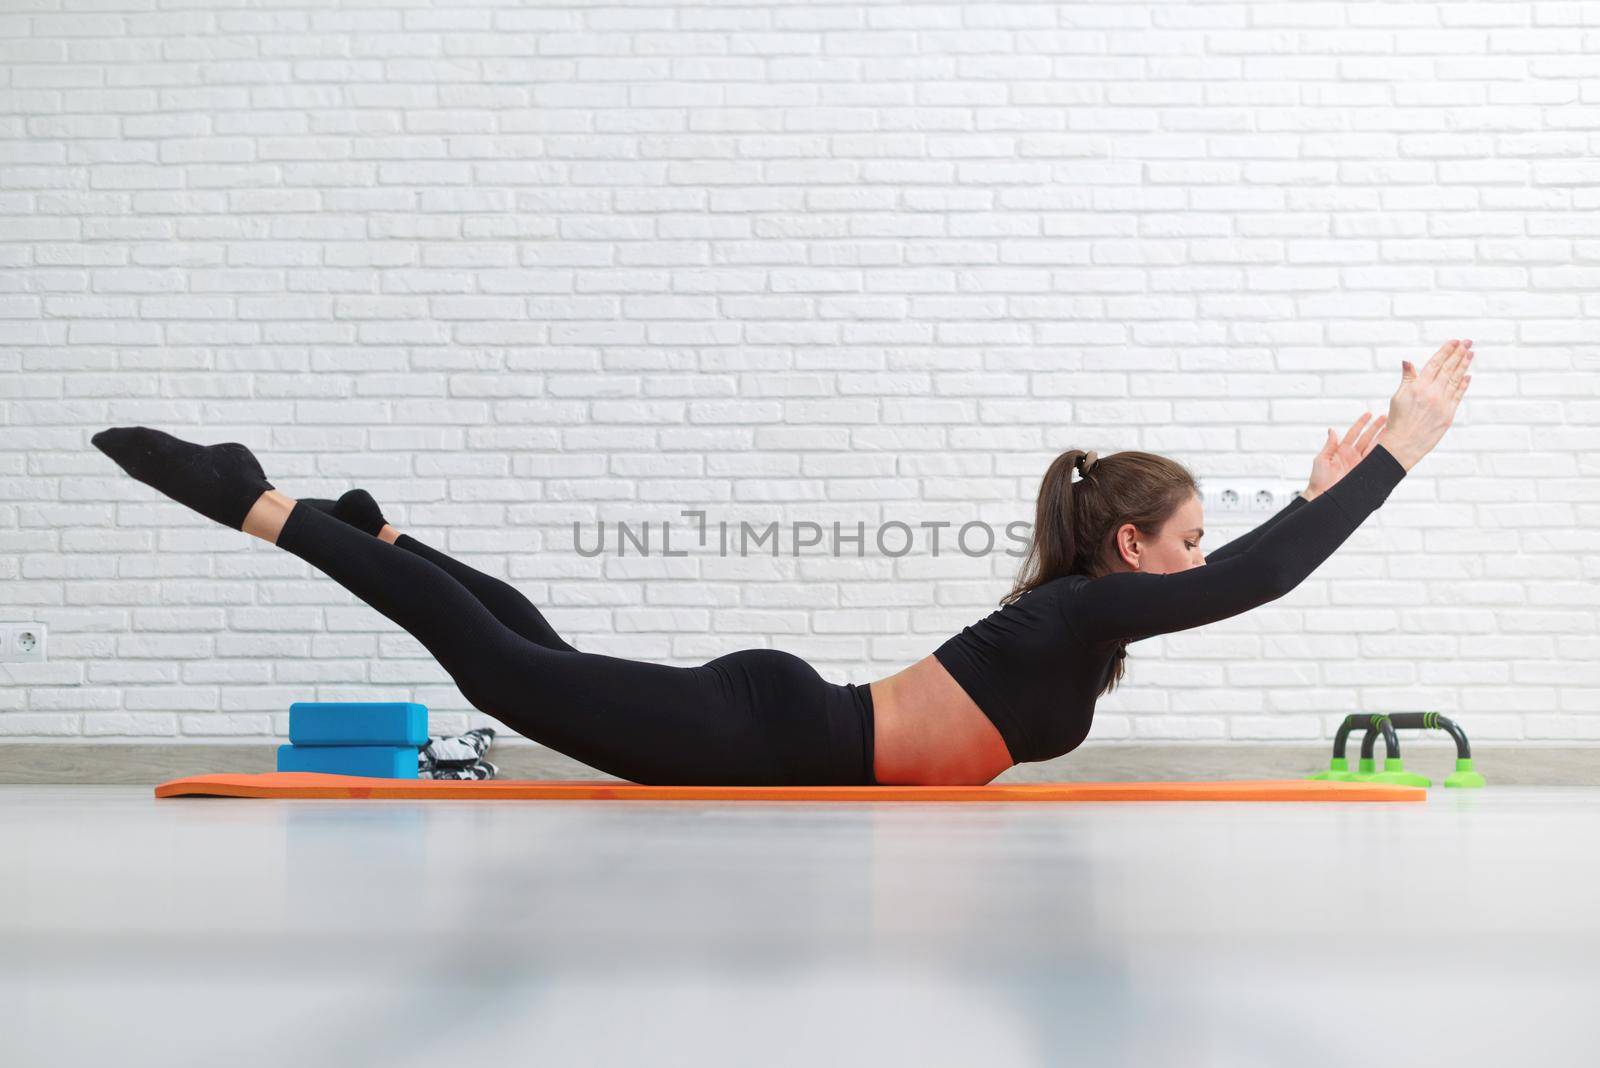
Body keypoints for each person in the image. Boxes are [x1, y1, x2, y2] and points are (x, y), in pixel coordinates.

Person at [91, 339, 1474, 787]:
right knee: (510, 671)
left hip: (783, 716)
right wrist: (1403, 451)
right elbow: (1269, 580)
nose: (1204, 562)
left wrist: (1317, 493)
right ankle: (259, 505)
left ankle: (377, 526)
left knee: (545, 662)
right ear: (1128, 547)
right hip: (770, 729)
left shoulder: (1089, 616)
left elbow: (1256, 567)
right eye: (1189, 540)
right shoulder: (1082, 612)